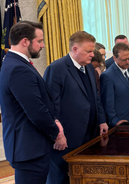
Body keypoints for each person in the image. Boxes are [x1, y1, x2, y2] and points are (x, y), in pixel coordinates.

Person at [0, 21, 67, 184]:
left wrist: (55, 120)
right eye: (39, 41)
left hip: (28, 147)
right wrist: (57, 133)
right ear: (25, 41)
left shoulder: (15, 63)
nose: (43, 45)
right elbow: (36, 111)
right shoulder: (18, 68)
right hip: (28, 149)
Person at [44, 31, 109, 184]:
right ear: (74, 49)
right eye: (88, 51)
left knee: (83, 177)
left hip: (89, 136)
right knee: (60, 178)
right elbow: (51, 106)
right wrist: (57, 135)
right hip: (66, 138)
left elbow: (95, 98)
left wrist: (102, 120)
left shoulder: (88, 68)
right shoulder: (56, 69)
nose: (92, 55)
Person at [100, 43, 129, 127]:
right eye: (124, 60)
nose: (128, 62)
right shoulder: (108, 76)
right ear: (115, 58)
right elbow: (108, 103)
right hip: (120, 122)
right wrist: (114, 120)